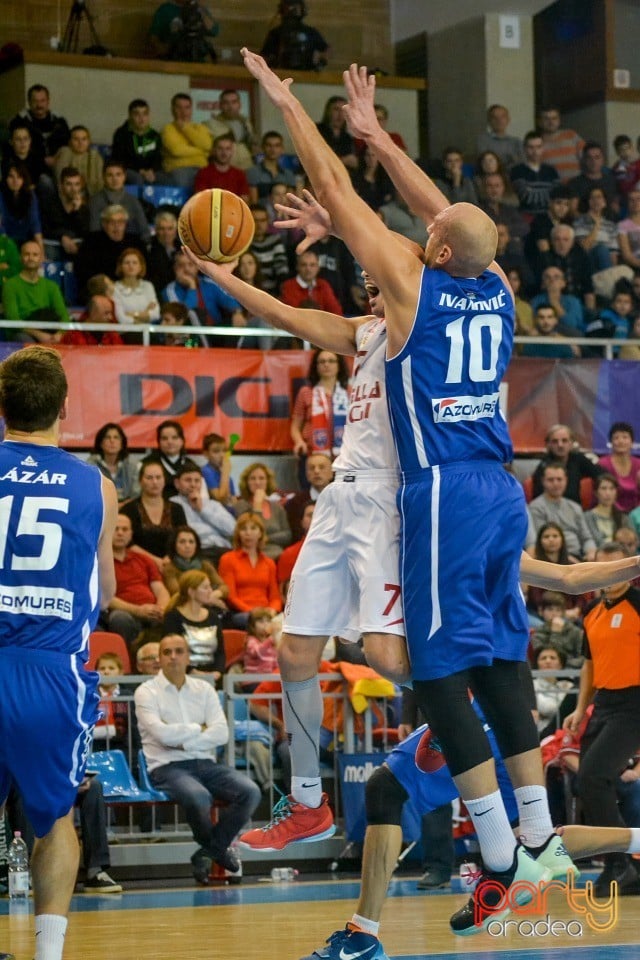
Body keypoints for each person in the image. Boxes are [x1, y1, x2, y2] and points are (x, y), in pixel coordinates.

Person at [239, 51, 570, 932]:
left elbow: (336, 192)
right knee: (502, 663)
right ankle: (537, 843)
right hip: (506, 490)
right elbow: (453, 217)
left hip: (443, 498)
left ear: (432, 250)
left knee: (434, 670)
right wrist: (382, 137)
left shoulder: (413, 294)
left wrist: (292, 106)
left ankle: (497, 853)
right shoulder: (496, 289)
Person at [0, 344, 117, 960]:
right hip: (50, 672)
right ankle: (47, 954)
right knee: (54, 822)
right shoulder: (95, 485)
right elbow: (109, 592)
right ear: (64, 406)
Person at [134, 633, 260, 883]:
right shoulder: (145, 692)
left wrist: (180, 734)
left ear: (188, 657)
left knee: (251, 791)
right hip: (166, 766)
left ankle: (208, 852)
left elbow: (221, 733)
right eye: (167, 652)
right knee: (198, 796)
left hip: (205, 763)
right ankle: (218, 851)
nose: (173, 657)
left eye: (179, 651)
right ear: (159, 658)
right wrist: (198, 728)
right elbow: (161, 735)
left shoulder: (204, 689)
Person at [564, 541, 640, 896]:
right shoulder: (592, 610)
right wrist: (580, 709)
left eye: (616, 568)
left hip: (634, 704)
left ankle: (621, 863)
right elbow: (589, 665)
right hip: (605, 703)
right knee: (588, 782)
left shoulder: (638, 605)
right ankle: (623, 863)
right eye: (603, 568)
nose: (608, 577)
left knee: (594, 776)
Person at [106, 513, 171, 648]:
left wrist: (161, 609)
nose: (120, 533)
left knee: (174, 616)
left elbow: (160, 590)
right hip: (125, 612)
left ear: (131, 534)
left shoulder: (143, 559)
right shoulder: (101, 561)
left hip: (152, 612)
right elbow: (104, 597)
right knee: (119, 619)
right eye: (115, 529)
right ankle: (127, 664)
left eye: (125, 529)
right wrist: (138, 610)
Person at [218, 512, 283, 628]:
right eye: (243, 529)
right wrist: (254, 612)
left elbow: (275, 597)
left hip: (266, 613)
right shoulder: (227, 559)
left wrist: (272, 610)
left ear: (260, 533)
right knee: (261, 624)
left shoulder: (269, 563)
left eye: (253, 528)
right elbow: (231, 597)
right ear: (238, 533)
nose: (248, 533)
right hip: (241, 613)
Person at [162, 570, 226, 680]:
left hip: (213, 676)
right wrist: (191, 671)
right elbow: (172, 652)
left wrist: (218, 672)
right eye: (205, 587)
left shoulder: (213, 617)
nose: (210, 591)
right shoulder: (173, 617)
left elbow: (220, 652)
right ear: (191, 592)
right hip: (183, 676)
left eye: (210, 587)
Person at [290, 347, 349, 467]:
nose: (326, 364)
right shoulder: (306, 392)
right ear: (315, 366)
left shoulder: (350, 392)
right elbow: (295, 426)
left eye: (331, 361)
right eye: (322, 361)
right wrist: (299, 442)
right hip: (313, 457)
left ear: (339, 365)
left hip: (345, 456)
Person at [120, 459, 186, 566]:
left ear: (164, 480)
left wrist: (169, 559)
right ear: (140, 481)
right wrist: (155, 561)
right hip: (137, 563)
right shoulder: (129, 509)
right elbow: (127, 542)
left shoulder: (176, 508)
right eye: (149, 478)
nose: (154, 482)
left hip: (172, 563)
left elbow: (184, 537)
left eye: (158, 477)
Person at [2, 240, 69, 342]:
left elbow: (64, 316)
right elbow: (13, 320)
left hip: (49, 332)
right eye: (27, 254)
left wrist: (59, 334)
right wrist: (38, 334)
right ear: (21, 258)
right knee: (23, 339)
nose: (31, 258)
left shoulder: (52, 286)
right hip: (23, 334)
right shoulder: (10, 285)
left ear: (42, 258)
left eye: (35, 254)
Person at [528, 462, 597, 561]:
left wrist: (591, 552)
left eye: (559, 479)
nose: (555, 483)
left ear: (566, 480)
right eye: (550, 480)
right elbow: (541, 541)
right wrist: (567, 559)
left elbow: (587, 538)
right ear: (543, 481)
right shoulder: (536, 507)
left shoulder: (575, 507)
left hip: (578, 557)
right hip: (551, 559)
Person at [170, 461, 236, 563]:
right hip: (198, 552)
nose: (193, 484)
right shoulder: (172, 504)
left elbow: (233, 530)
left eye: (197, 481)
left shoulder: (212, 505)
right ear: (177, 483)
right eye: (188, 480)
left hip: (225, 550)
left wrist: (203, 510)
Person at [74, 205, 145, 298]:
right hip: (101, 291)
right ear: (104, 224)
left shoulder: (136, 242)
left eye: (120, 222)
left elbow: (144, 269)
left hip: (131, 289)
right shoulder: (91, 241)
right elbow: (83, 272)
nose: (117, 227)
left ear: (125, 224)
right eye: (112, 222)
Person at [9, 84, 70, 183]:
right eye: (35, 101)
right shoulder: (19, 121)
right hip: (32, 165)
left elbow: (67, 144)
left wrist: (57, 159)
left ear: (48, 101)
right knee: (45, 181)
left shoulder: (59, 121)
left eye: (42, 101)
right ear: (29, 102)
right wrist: (42, 159)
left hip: (59, 164)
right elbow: (15, 148)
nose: (39, 105)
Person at [530, 422, 604, 503]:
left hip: (575, 511)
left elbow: (602, 475)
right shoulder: (543, 466)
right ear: (548, 445)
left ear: (571, 443)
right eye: (555, 441)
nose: (560, 445)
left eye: (564, 440)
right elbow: (539, 498)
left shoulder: (578, 459)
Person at [233, 462, 292, 561]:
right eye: (252, 479)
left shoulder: (277, 508)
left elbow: (287, 535)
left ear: (267, 482)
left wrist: (266, 538)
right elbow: (249, 535)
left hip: (278, 553)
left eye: (261, 478)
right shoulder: (240, 506)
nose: (257, 482)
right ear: (246, 482)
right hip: (251, 554)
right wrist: (257, 507)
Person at [162, 525, 229, 602]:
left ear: (196, 546)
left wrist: (211, 596)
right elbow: (177, 593)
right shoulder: (170, 568)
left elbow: (224, 588)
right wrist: (205, 598)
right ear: (174, 545)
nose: (187, 546)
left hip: (210, 602)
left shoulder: (205, 565)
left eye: (191, 542)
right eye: (182, 542)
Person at [88, 160, 150, 241]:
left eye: (118, 174)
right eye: (110, 175)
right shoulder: (95, 201)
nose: (115, 179)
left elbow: (144, 231)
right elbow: (94, 232)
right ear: (103, 177)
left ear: (124, 176)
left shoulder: (133, 201)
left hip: (130, 247)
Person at [161, 92, 212, 190]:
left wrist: (185, 128)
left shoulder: (200, 127)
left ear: (191, 109)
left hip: (202, 167)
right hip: (179, 169)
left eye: (187, 107)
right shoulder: (168, 129)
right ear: (173, 109)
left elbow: (207, 145)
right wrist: (201, 151)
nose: (183, 111)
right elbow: (176, 151)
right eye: (179, 107)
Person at [261, 0, 329, 71]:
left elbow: (326, 50)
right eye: (289, 6)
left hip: (306, 75)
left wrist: (320, 60)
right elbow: (265, 56)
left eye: (294, 6)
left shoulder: (310, 32)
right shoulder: (276, 33)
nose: (291, 9)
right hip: (282, 74)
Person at [39, 165, 90, 261]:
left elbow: (85, 231)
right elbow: (45, 229)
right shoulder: (50, 203)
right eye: (69, 184)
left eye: (77, 184)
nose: (73, 189)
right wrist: (62, 237)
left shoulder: (83, 207)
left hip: (76, 245)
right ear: (61, 185)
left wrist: (77, 211)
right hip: (53, 244)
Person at [110, 98, 164, 186]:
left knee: (164, 179)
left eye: (145, 114)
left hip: (150, 171)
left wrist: (152, 170)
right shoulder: (121, 134)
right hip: (128, 169)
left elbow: (158, 158)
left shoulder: (155, 135)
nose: (141, 118)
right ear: (130, 116)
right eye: (137, 114)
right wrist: (141, 171)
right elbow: (119, 159)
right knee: (137, 179)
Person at [206, 89, 257, 171]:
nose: (230, 106)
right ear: (220, 105)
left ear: (239, 104)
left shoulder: (246, 122)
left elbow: (252, 144)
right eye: (226, 103)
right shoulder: (210, 124)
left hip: (247, 166)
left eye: (234, 102)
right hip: (224, 170)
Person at [531, 590, 584, 669]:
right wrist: (556, 634)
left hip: (571, 673)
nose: (554, 613)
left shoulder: (575, 631)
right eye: (550, 609)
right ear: (541, 611)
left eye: (558, 610)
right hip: (545, 674)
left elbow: (582, 659)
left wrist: (561, 663)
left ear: (563, 613)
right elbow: (543, 659)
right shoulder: (537, 634)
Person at [149, 0, 218, 61]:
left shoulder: (199, 9)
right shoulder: (165, 9)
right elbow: (153, 37)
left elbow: (214, 31)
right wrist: (163, 48)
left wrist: (200, 9)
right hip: (173, 58)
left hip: (197, 58)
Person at [88, 422, 139, 503]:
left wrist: (122, 506)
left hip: (128, 509)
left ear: (122, 443)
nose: (112, 441)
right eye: (108, 437)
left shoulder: (132, 465)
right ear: (101, 443)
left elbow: (136, 495)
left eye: (116, 437)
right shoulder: (91, 465)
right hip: (101, 507)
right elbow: (90, 494)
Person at [285, 452, 332, 539]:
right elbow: (294, 535)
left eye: (321, 467)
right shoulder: (294, 504)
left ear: (331, 473)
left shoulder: (342, 500)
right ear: (306, 474)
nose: (316, 471)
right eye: (312, 468)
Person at [0, 162, 43, 252]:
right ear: (5, 178)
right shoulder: (1, 196)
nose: (15, 181)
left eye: (19, 177)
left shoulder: (31, 196)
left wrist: (41, 250)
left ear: (24, 179)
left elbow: (35, 223)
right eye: (11, 177)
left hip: (26, 240)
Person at [598, 422, 640, 513]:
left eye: (625, 437)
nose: (620, 441)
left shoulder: (638, 465)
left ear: (632, 442)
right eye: (616, 438)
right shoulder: (603, 464)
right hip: (610, 512)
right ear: (611, 442)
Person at [249, 204, 291, 293]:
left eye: (262, 220)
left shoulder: (275, 240)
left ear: (267, 221)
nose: (259, 224)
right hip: (249, 291)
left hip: (272, 293)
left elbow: (282, 269)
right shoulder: (243, 242)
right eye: (255, 220)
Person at [193, 134, 250, 200]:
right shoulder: (204, 173)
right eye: (220, 148)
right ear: (214, 150)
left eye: (227, 149)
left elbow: (244, 200)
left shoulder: (239, 174)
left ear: (232, 151)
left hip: (233, 209)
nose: (224, 152)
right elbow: (200, 199)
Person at [247, 130, 299, 203]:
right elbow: (254, 203)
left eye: (277, 145)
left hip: (283, 212)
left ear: (282, 149)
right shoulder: (253, 172)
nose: (273, 149)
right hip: (260, 213)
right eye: (269, 145)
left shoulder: (288, 174)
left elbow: (290, 202)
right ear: (263, 147)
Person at [113, 247, 160, 326]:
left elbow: (156, 314)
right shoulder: (115, 288)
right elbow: (121, 318)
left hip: (147, 332)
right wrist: (145, 313)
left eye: (135, 262)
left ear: (141, 266)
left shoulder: (148, 286)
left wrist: (131, 314)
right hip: (126, 333)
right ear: (120, 266)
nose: (131, 266)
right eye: (127, 262)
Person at [538, 106, 585, 183]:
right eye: (546, 119)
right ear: (540, 122)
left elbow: (587, 159)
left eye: (554, 118)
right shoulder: (536, 144)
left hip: (577, 186)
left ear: (559, 121)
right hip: (553, 189)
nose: (551, 122)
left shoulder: (571, 135)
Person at [53, 125, 103, 197]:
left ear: (89, 141)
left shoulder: (95, 156)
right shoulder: (65, 152)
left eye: (84, 139)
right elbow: (60, 179)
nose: (80, 142)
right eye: (76, 139)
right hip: (68, 194)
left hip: (91, 194)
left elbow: (100, 182)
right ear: (70, 141)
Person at [585, 472, 632, 547]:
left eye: (612, 488)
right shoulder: (588, 517)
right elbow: (593, 541)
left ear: (616, 492)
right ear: (596, 492)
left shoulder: (623, 517)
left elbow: (632, 542)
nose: (608, 493)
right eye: (603, 488)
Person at [476, 103, 523, 171]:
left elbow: (521, 163)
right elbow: (486, 163)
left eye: (502, 117)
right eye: (494, 117)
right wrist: (511, 159)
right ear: (489, 121)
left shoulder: (517, 141)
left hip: (514, 176)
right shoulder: (483, 140)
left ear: (508, 120)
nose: (499, 120)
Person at [146, 211, 181, 297]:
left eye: (170, 229)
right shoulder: (149, 249)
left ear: (175, 230)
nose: (166, 233)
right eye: (162, 229)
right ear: (156, 230)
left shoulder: (182, 247)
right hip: (160, 292)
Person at [201, 432, 237, 505]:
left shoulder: (228, 478)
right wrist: (225, 472)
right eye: (216, 451)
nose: (222, 455)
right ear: (206, 454)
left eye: (224, 451)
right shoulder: (206, 471)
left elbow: (233, 503)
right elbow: (220, 499)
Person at [617, 188, 640, 270]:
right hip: (636, 262)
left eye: (638, 199)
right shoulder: (622, 225)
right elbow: (627, 256)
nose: (635, 203)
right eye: (631, 200)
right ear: (627, 203)